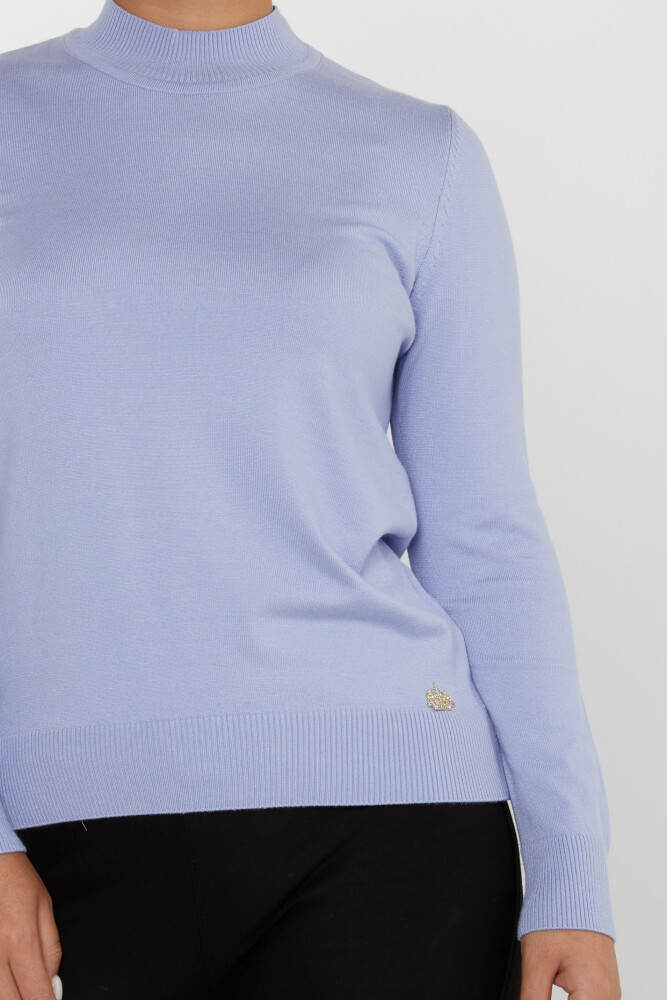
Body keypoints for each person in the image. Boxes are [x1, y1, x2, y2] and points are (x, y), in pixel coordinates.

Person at [0, 1, 622, 997]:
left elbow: (486, 541)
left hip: (393, 832)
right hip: (56, 840)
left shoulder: (422, 154)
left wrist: (569, 870)